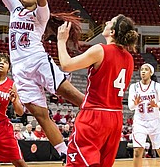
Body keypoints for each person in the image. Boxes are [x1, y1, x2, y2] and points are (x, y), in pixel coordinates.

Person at [0, 0, 84, 158]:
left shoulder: (40, 15)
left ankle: (101, 121)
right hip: (20, 69)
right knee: (41, 116)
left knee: (79, 100)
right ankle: (65, 154)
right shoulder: (15, 9)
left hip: (38, 62)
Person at [57, 14, 139, 166]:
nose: (106, 21)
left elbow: (66, 65)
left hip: (94, 116)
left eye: (110, 21)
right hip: (115, 118)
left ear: (113, 32)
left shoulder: (100, 50)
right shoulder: (129, 58)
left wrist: (61, 41)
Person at [128, 63, 160, 167]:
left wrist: (157, 104)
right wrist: (135, 103)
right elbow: (130, 106)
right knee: (138, 151)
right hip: (140, 122)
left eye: (146, 69)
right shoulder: (134, 87)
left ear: (151, 73)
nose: (143, 71)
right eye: (141, 69)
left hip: (155, 122)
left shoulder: (157, 86)